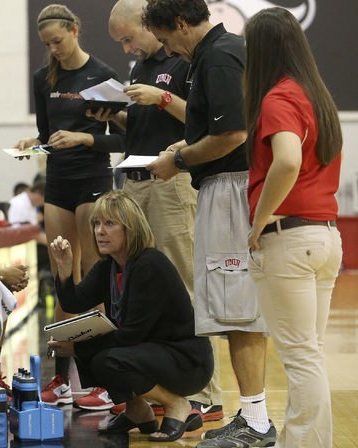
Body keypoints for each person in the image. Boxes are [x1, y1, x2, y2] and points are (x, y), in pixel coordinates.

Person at [143, 1, 276, 446]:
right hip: (230, 188)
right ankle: (253, 414)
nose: (169, 50)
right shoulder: (219, 52)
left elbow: (233, 135)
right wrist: (187, 145)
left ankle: (256, 421)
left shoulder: (217, 55)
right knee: (236, 310)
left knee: (240, 312)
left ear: (181, 24)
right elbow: (221, 130)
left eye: (165, 40)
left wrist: (178, 159)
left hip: (232, 189)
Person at [95, 0, 221, 420]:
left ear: (149, 25)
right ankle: (158, 389)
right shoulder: (140, 68)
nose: (128, 48)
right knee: (137, 288)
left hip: (171, 185)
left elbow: (205, 126)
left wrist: (163, 97)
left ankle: (207, 392)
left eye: (130, 38)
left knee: (183, 283)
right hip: (135, 183)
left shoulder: (187, 60)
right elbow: (148, 127)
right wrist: (114, 116)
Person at [13, 4, 125, 408]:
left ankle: (98, 379)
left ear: (75, 31)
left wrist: (84, 139)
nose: (54, 50)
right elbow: (47, 134)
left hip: (93, 179)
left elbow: (126, 138)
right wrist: (31, 143)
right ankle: (61, 378)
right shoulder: (44, 77)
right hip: (58, 181)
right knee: (64, 275)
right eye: (46, 44)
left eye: (58, 41)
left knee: (93, 280)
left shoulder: (103, 74)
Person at [244, 8, 343, 448]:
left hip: (290, 240)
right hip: (325, 236)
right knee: (310, 355)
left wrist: (260, 218)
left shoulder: (278, 98)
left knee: (301, 357)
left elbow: (286, 160)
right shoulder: (316, 95)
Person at [48, 190, 212, 441]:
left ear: (131, 228)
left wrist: (77, 348)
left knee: (106, 357)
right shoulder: (108, 266)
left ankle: (176, 404)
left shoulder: (150, 264)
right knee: (99, 355)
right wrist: (65, 269)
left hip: (187, 361)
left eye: (109, 223)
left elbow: (131, 335)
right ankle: (138, 413)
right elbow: (74, 301)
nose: (100, 231)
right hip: (153, 352)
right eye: (97, 224)